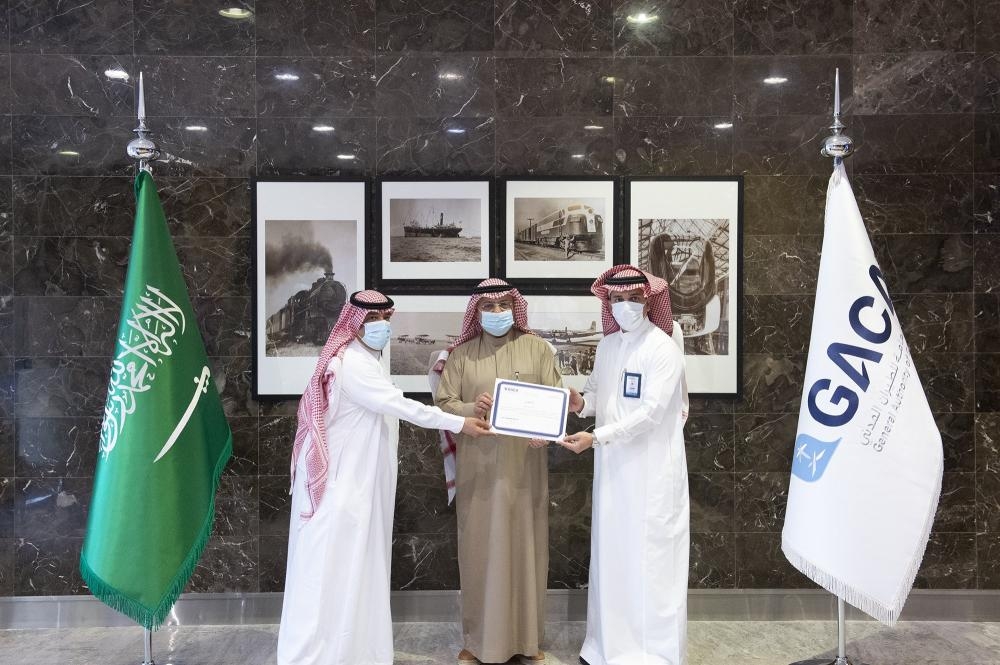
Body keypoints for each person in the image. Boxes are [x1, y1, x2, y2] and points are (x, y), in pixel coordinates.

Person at [277, 290, 492, 665]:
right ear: (354, 324)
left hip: (355, 486)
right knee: (329, 573)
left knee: (351, 571)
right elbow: (403, 407)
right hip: (340, 491)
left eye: (385, 319)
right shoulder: (352, 365)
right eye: (371, 320)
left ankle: (353, 653)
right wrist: (460, 422)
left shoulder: (364, 359)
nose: (380, 326)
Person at [554, 265, 690, 665]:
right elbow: (599, 396)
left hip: (652, 473)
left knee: (652, 560)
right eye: (617, 299)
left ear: (647, 301)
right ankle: (608, 647)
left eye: (633, 298)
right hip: (613, 471)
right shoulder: (608, 346)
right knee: (612, 555)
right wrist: (579, 403)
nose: (625, 305)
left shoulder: (663, 348)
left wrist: (596, 437)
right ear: (608, 302)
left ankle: (654, 653)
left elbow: (651, 414)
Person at [434, 278, 564, 665]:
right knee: (479, 552)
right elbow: (444, 401)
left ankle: (527, 641)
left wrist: (547, 431)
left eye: (503, 305)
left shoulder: (538, 349)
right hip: (479, 470)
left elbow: (556, 397)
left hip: (525, 469)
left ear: (514, 308)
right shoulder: (461, 355)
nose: (496, 313)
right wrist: (471, 407)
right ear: (476, 312)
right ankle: (478, 643)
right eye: (488, 307)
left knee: (527, 549)